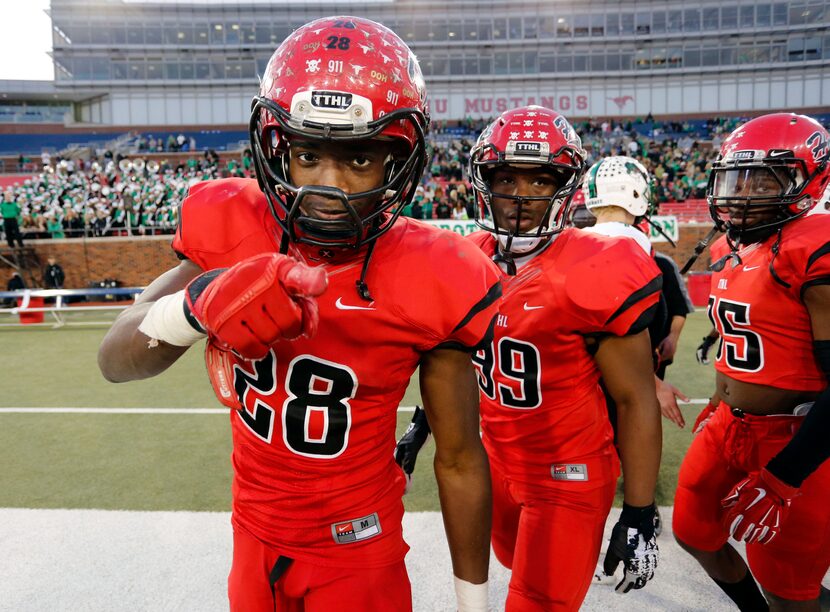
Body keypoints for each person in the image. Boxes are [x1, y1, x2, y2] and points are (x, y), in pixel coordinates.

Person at [98, 17, 499, 612]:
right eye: (308, 154)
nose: (327, 186)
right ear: (278, 149)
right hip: (252, 537)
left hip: (356, 552)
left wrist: (475, 603)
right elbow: (115, 359)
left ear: (397, 160)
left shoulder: (436, 272)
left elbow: (461, 459)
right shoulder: (233, 227)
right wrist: (197, 303)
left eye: (358, 159)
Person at [473, 106, 663, 609]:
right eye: (505, 177)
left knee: (536, 601)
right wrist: (423, 424)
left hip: (567, 473)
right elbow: (455, 363)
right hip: (496, 459)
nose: (519, 195)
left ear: (566, 187)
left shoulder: (598, 264)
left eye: (540, 181)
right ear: (482, 182)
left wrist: (639, 512)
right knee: (513, 563)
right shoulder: (467, 257)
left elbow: (636, 398)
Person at [673, 113, 830, 612]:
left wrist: (786, 475)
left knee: (787, 588)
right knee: (693, 531)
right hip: (728, 425)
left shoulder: (813, 247)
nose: (743, 194)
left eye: (764, 180)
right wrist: (721, 397)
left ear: (812, 178)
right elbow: (749, 337)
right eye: (737, 179)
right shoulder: (730, 245)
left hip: (796, 434)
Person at [580, 156, 689, 428]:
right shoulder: (630, 246)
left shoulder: (578, 245)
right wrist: (651, 382)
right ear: (636, 192)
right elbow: (614, 328)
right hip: (625, 376)